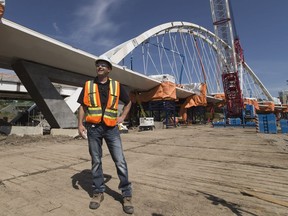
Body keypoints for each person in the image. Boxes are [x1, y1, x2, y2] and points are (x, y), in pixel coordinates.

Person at [77, 55, 134, 214]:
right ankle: (98, 192)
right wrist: (80, 124)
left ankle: (126, 195)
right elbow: (83, 106)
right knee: (96, 161)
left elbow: (128, 101)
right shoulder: (88, 85)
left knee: (120, 160)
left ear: (109, 69)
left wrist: (122, 117)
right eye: (98, 65)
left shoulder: (116, 85)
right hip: (93, 128)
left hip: (111, 129)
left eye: (103, 65)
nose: (100, 67)